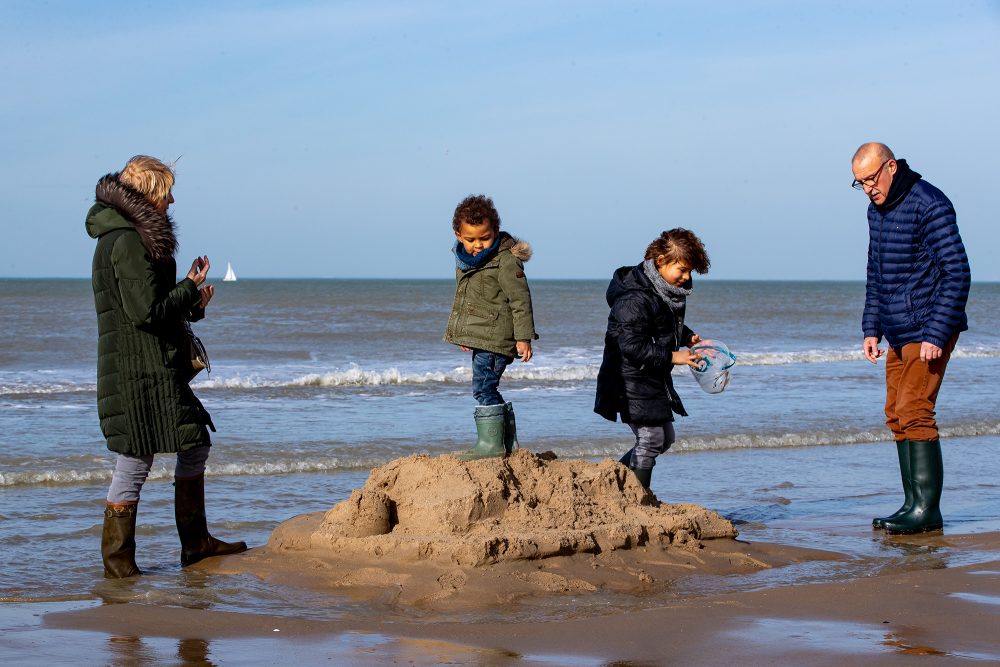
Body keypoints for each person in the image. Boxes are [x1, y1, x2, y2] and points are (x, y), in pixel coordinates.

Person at [86, 155, 246, 577]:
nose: (172, 200)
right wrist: (188, 288)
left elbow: (152, 309)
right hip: (139, 370)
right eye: (167, 191)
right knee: (135, 460)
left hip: (150, 364)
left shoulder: (130, 237)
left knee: (193, 441)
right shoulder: (125, 241)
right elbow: (145, 311)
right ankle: (119, 565)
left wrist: (194, 301)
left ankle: (195, 545)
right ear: (151, 192)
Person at [853, 142, 971, 534]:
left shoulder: (930, 203)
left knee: (915, 409)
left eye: (871, 179)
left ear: (890, 167)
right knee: (895, 412)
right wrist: (871, 327)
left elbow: (957, 272)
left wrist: (937, 333)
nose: (868, 188)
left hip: (928, 328)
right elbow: (876, 272)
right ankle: (911, 505)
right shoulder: (877, 210)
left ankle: (927, 511)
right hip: (897, 327)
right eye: (859, 183)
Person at [594, 229, 710, 489]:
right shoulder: (634, 297)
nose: (686, 277)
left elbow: (660, 325)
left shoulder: (662, 291)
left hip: (650, 376)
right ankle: (637, 499)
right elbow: (631, 346)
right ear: (660, 261)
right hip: (627, 378)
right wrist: (672, 356)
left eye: (690, 271)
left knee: (665, 438)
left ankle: (612, 483)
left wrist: (687, 336)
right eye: (682, 269)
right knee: (650, 439)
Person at [444, 194, 538, 459]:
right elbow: (468, 299)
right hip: (481, 335)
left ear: (495, 231)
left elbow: (520, 300)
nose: (478, 245)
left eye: (484, 238)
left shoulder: (506, 260)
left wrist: (523, 338)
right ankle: (508, 444)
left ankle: (491, 445)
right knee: (486, 386)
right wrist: (467, 333)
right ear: (458, 235)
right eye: (471, 239)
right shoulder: (464, 259)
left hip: (498, 337)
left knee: (483, 388)